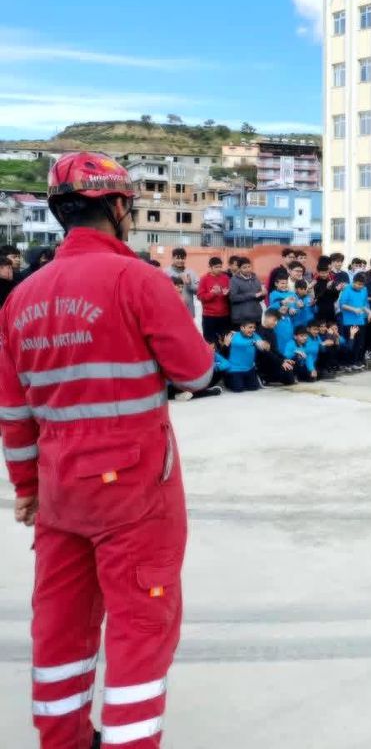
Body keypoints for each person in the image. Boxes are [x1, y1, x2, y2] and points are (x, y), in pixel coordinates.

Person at [1, 152, 213, 749]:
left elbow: (13, 414)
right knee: (141, 626)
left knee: (60, 624)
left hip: (59, 491)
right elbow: (196, 372)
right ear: (119, 207)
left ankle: (63, 739)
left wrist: (27, 490)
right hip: (137, 489)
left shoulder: (22, 298)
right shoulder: (137, 280)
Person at [336, 273, 371, 370]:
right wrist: (354, 309)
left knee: (358, 343)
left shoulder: (364, 290)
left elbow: (364, 304)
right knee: (349, 343)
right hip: (348, 321)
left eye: (362, 284)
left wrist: (369, 312)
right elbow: (342, 305)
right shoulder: (347, 289)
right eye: (358, 284)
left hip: (360, 320)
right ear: (354, 282)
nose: (360, 286)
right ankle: (346, 363)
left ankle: (354, 362)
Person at [224, 321, 269, 392]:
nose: (253, 330)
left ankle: (245, 379)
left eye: (254, 328)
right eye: (250, 327)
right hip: (235, 369)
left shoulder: (254, 335)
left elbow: (263, 345)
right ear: (242, 328)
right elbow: (241, 343)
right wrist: (254, 342)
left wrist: (265, 345)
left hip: (249, 369)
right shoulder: (234, 336)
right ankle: (228, 380)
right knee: (238, 389)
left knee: (254, 388)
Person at [198, 255, 232, 342]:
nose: (219, 269)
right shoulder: (204, 279)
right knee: (210, 342)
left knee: (224, 341)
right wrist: (212, 294)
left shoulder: (226, 278)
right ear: (210, 267)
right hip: (209, 316)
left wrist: (227, 294)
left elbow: (231, 293)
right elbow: (200, 296)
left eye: (220, 267)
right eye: (216, 267)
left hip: (224, 315)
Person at [229, 258, 265, 328]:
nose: (248, 269)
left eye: (249, 266)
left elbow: (258, 297)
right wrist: (252, 295)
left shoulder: (255, 278)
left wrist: (263, 294)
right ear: (239, 269)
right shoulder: (234, 280)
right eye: (244, 267)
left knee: (256, 338)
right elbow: (233, 298)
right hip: (241, 318)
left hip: (256, 317)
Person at [166, 248, 199, 320]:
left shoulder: (191, 273)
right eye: (178, 258)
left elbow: (198, 291)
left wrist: (189, 284)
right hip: (171, 313)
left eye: (182, 258)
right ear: (172, 258)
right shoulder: (165, 272)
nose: (180, 261)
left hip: (188, 313)